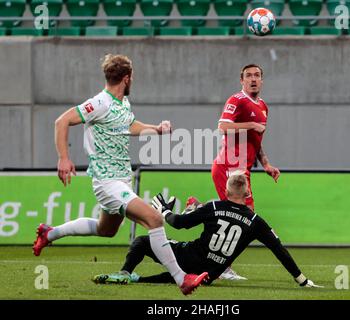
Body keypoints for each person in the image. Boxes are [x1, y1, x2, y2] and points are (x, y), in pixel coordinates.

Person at [32, 54, 208, 295]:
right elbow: (61, 121)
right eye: (132, 76)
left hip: (120, 178)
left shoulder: (122, 104)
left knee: (107, 230)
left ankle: (49, 233)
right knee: (154, 220)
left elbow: (129, 125)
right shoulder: (100, 103)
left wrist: (156, 130)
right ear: (127, 78)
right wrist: (64, 157)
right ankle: (182, 279)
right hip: (107, 182)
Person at [93, 172, 322, 289]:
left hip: (187, 257)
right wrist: (302, 280)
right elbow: (279, 250)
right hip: (208, 275)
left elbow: (180, 222)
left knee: (143, 242)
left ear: (226, 190)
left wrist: (163, 212)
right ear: (247, 194)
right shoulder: (255, 221)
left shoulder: (214, 207)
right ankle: (138, 280)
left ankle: (125, 273)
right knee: (174, 277)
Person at [188, 64, 281, 280]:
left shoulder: (263, 107)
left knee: (242, 222)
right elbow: (222, 126)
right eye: (248, 76)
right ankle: (222, 268)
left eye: (257, 75)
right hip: (228, 167)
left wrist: (266, 164)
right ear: (242, 80)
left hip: (242, 170)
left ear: (262, 80)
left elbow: (256, 141)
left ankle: (198, 209)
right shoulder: (236, 100)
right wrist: (250, 124)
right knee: (243, 221)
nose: (253, 79)